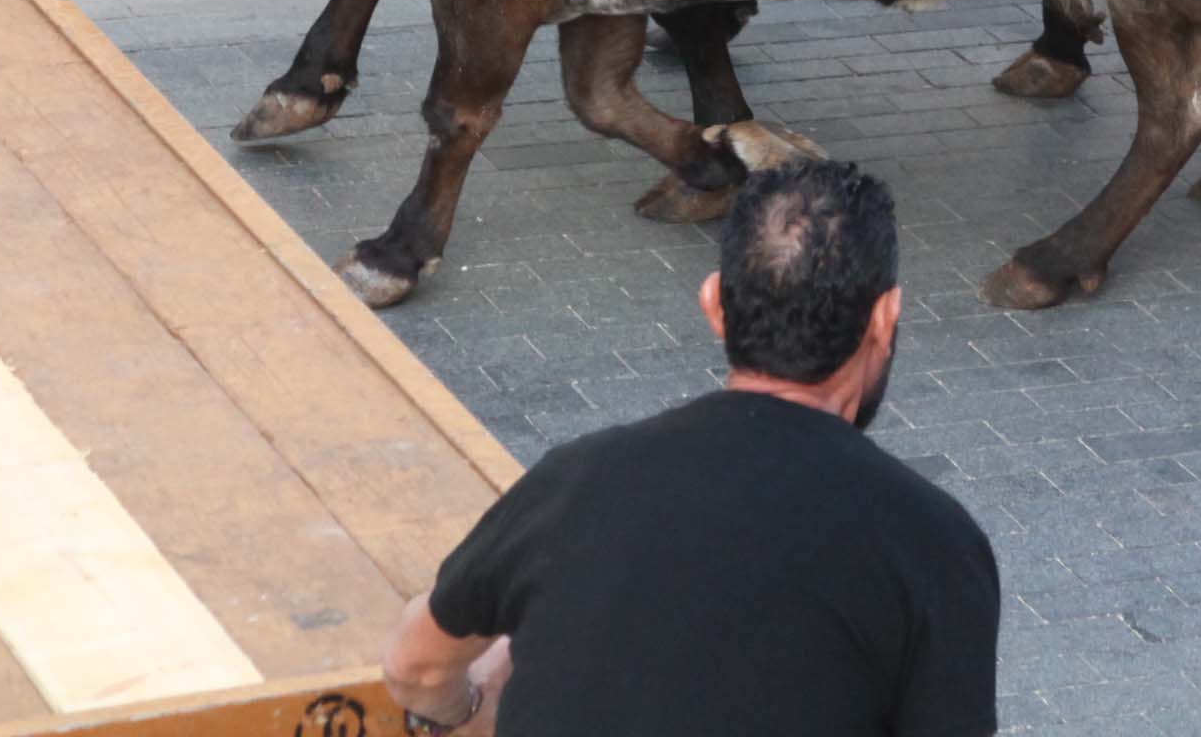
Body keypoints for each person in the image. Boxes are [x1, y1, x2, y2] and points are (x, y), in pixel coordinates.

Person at [381, 161, 998, 737]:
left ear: (713, 304)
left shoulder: (579, 480)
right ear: (886, 319)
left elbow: (415, 671)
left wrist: (471, 709)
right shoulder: (933, 541)